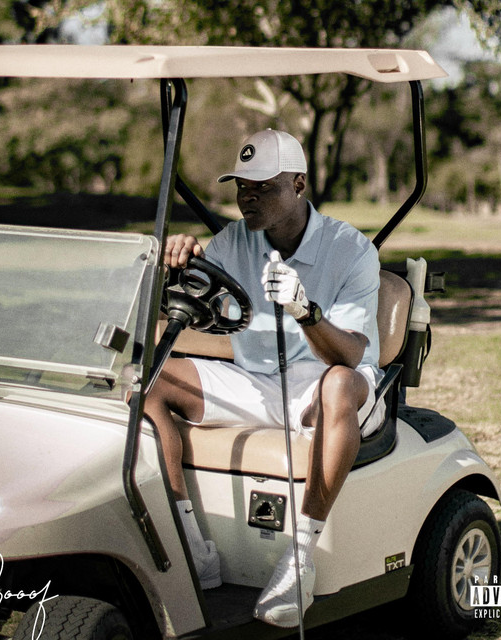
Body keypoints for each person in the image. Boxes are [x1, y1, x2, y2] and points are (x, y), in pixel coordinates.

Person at [146, 129, 383, 628]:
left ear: (298, 184)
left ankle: (300, 559)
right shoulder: (234, 240)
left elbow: (348, 354)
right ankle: (192, 548)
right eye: (242, 187)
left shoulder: (351, 249)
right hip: (255, 379)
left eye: (263, 187)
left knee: (338, 384)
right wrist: (179, 261)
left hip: (326, 383)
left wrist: (304, 310)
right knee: (147, 383)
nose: (248, 198)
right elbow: (194, 302)